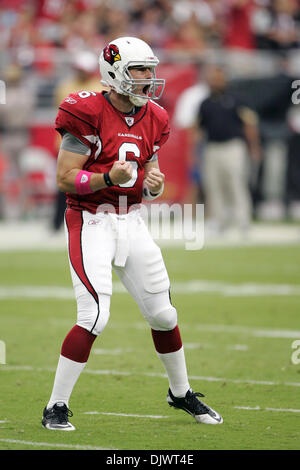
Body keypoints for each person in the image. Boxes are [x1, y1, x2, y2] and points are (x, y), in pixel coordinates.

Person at [41, 36, 223, 431]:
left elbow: (148, 177)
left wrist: (153, 184)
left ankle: (180, 392)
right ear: (114, 71)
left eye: (150, 70)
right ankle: (55, 405)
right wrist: (107, 176)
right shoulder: (85, 110)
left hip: (133, 219)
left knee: (164, 313)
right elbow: (65, 178)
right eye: (139, 70)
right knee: (94, 317)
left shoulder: (155, 116)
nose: (148, 78)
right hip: (91, 220)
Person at [197, 64, 261, 234]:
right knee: (214, 186)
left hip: (234, 147)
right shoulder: (205, 103)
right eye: (212, 78)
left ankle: (243, 221)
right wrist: (194, 153)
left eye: (218, 78)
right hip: (212, 148)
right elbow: (199, 130)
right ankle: (218, 221)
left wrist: (254, 147)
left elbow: (250, 124)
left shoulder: (238, 99)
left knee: (236, 183)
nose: (215, 81)